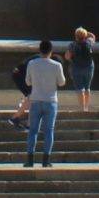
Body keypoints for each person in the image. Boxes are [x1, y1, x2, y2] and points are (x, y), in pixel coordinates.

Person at [21, 38, 66, 167]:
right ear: (51, 51)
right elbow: (62, 82)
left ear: (39, 50)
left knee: (33, 131)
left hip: (35, 100)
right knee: (49, 131)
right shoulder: (57, 65)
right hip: (51, 101)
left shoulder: (32, 64)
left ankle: (30, 160)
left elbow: (28, 82)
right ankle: (46, 160)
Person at [68, 27, 97, 111]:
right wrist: (86, 33)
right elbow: (93, 36)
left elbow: (67, 56)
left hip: (76, 67)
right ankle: (86, 107)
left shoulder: (72, 45)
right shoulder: (89, 42)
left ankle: (82, 107)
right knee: (87, 87)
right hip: (88, 67)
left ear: (75, 36)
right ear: (85, 36)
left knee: (80, 89)